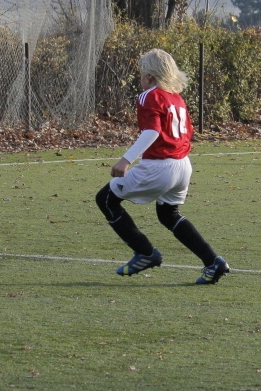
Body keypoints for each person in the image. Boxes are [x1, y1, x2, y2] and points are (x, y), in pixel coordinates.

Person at [95, 48, 229, 284]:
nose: (140, 78)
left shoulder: (150, 95)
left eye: (142, 73)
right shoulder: (177, 98)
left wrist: (126, 159)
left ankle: (145, 252)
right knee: (169, 215)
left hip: (161, 166)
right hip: (183, 165)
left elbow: (153, 131)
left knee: (106, 199)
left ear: (150, 76)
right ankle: (213, 261)